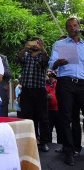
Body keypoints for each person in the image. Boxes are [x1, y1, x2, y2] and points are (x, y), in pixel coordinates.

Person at [49, 17, 84, 166]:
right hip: (66, 83)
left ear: (79, 27)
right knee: (66, 117)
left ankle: (77, 146)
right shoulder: (59, 44)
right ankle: (68, 151)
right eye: (69, 26)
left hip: (82, 84)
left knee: (77, 119)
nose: (72, 28)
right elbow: (52, 64)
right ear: (66, 29)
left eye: (75, 25)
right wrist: (58, 63)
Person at [17, 36, 50, 152]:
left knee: (43, 118)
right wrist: (24, 48)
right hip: (26, 90)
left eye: (38, 42)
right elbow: (19, 59)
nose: (35, 44)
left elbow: (45, 62)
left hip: (39, 90)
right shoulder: (26, 54)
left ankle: (44, 142)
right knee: (28, 117)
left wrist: (43, 50)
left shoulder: (43, 55)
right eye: (33, 42)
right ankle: (31, 140)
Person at [45, 69, 60, 143]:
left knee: (60, 130)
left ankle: (61, 145)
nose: (49, 78)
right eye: (48, 76)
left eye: (51, 76)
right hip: (49, 110)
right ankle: (49, 144)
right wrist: (46, 95)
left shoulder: (58, 84)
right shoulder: (46, 85)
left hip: (58, 110)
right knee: (48, 129)